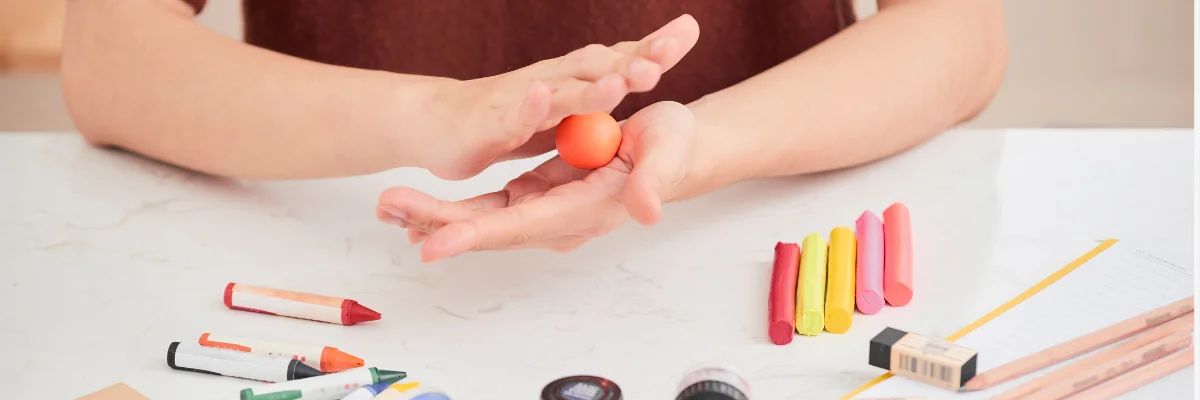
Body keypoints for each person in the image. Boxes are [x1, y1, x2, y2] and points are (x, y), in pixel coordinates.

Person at [61, 1, 1008, 262]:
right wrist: (424, 115)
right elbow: (107, 54)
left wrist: (705, 144)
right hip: (358, 250)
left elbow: (961, 32)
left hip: (766, 234)